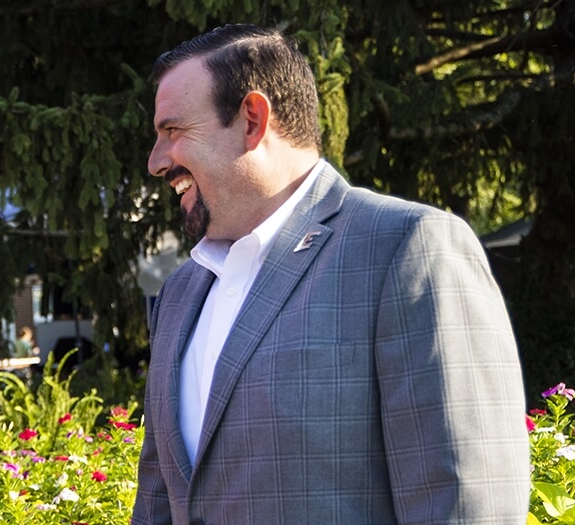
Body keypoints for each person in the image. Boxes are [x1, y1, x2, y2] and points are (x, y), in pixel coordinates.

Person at [133, 24, 529, 524]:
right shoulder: (180, 292)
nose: (156, 162)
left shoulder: (408, 247)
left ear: (252, 119)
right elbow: (158, 505)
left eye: (173, 132)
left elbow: (466, 505)